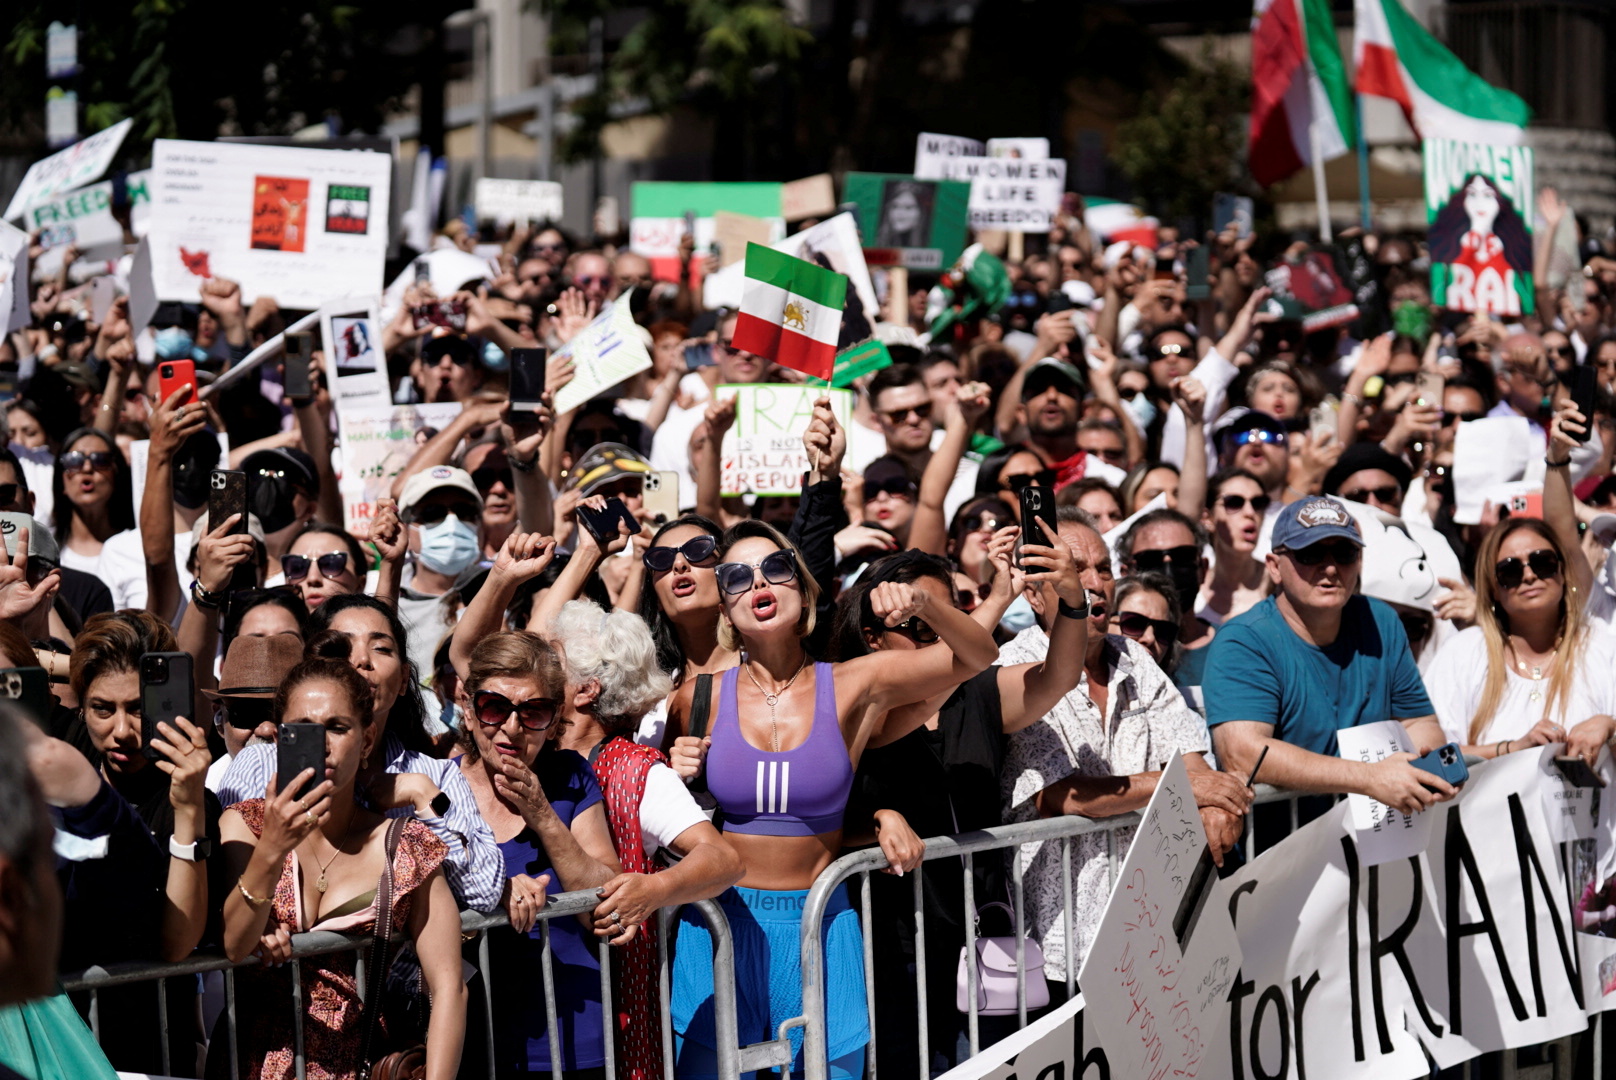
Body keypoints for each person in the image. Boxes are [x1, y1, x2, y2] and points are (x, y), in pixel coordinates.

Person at [665, 520, 998, 1080]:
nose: (758, 584)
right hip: (720, 930)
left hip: (821, 930)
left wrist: (926, 605)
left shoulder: (854, 683)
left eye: (776, 568)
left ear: (804, 588)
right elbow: (650, 807)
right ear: (723, 609)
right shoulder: (695, 698)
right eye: (737, 577)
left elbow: (976, 656)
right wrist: (675, 774)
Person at [837, 530, 1088, 1076]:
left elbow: (1060, 676)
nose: (936, 638)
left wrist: (1071, 598)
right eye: (918, 625)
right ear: (873, 639)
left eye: (946, 620)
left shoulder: (980, 690)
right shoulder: (861, 703)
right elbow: (952, 670)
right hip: (892, 943)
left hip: (982, 935)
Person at [998, 507, 1243, 990]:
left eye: (1103, 568)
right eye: (1072, 569)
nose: (1093, 582)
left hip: (1154, 930)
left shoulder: (1135, 658)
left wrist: (1218, 805)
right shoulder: (1013, 667)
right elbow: (1063, 797)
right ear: (1031, 591)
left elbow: (1193, 754)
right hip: (1056, 945)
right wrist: (1188, 786)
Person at [219, 657, 466, 1080]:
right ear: (280, 738)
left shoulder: (407, 847)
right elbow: (234, 944)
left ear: (367, 739)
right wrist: (272, 849)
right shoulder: (244, 826)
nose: (324, 745)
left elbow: (449, 988)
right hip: (249, 1065)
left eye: (338, 727)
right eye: (305, 729)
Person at [545, 598, 744, 1080]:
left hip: (609, 1002)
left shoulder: (639, 771)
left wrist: (652, 890)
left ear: (586, 690)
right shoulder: (530, 758)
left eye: (553, 664)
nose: (536, 673)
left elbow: (723, 859)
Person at [219, 595, 505, 913]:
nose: (363, 662)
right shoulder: (262, 763)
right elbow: (229, 881)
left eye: (381, 648)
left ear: (401, 679)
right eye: (342, 648)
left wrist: (424, 798)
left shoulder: (435, 775)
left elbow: (481, 894)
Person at [1205, 497, 1459, 830]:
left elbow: (1417, 721)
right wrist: (1369, 778)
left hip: (1375, 843)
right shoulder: (1243, 640)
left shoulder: (1381, 620)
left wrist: (1431, 767)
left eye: (1344, 553)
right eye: (1309, 554)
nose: (1329, 567)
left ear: (1360, 560)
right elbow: (1245, 753)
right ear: (1273, 566)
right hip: (1279, 855)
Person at [451, 631, 620, 1077]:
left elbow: (604, 904)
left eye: (534, 712)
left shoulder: (570, 777)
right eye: (493, 707)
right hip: (471, 1037)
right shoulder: (440, 789)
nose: (511, 727)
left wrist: (543, 815)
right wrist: (491, 895)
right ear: (468, 711)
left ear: (554, 719)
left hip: (570, 1034)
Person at [203, 633, 305, 793]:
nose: (266, 730)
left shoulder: (337, 788)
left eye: (281, 714)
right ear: (220, 721)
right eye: (246, 714)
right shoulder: (201, 794)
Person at [51, 428, 135, 578]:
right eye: (74, 460)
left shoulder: (135, 546)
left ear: (117, 473)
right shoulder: (45, 548)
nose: (87, 468)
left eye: (101, 460)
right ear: (61, 480)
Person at [1198, 468, 1272, 625]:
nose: (1249, 512)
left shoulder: (1279, 584)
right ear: (1207, 518)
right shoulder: (1193, 589)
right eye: (1234, 503)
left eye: (1258, 503)